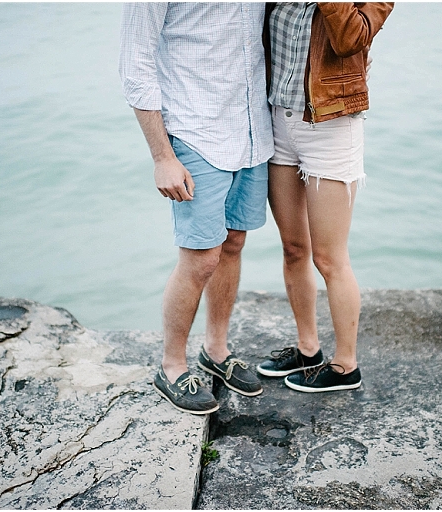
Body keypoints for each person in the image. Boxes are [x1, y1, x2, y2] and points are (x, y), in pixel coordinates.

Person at [119, 3, 274, 414]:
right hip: (194, 130)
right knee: (201, 256)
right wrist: (161, 156)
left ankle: (216, 350)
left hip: (251, 127)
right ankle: (172, 367)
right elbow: (136, 65)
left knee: (234, 242)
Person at [256, 3, 394, 392]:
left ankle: (346, 366)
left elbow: (351, 39)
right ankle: (307, 348)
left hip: (331, 124)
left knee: (330, 257)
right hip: (279, 117)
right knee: (294, 248)